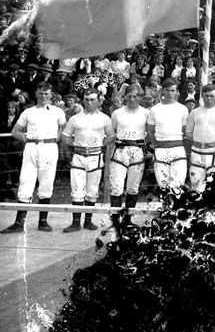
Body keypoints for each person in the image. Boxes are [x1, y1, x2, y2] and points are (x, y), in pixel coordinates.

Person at [1, 82, 66, 233]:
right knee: (26, 181)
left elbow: (65, 127)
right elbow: (15, 131)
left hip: (49, 148)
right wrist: (24, 137)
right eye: (40, 93)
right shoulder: (28, 112)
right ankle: (19, 223)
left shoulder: (57, 111)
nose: (43, 96)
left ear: (51, 95)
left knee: (47, 182)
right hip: (31, 148)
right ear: (36, 94)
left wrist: (58, 136)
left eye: (46, 93)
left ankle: (43, 222)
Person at [61, 88, 114, 233]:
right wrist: (76, 144)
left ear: (98, 101)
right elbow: (65, 136)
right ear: (82, 100)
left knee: (92, 190)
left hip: (95, 156)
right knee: (77, 189)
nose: (89, 102)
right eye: (86, 99)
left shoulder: (105, 118)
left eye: (92, 100)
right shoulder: (75, 118)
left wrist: (99, 144)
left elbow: (111, 136)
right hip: (78, 156)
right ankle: (75, 223)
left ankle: (88, 221)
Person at [107, 85, 149, 224]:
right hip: (120, 150)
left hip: (137, 150)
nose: (132, 99)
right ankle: (115, 221)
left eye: (135, 96)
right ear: (125, 96)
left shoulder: (146, 113)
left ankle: (128, 220)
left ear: (140, 97)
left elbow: (149, 132)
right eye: (129, 96)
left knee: (133, 188)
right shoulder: (117, 113)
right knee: (116, 187)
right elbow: (112, 131)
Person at [146, 78, 189, 191]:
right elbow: (150, 131)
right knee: (163, 184)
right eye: (167, 90)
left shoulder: (183, 109)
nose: (170, 93)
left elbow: (185, 130)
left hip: (178, 149)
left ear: (177, 92)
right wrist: (157, 144)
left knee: (178, 184)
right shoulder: (154, 109)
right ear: (162, 91)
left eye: (172, 90)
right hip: (161, 149)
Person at [185, 85, 215, 193]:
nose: (209, 98)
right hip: (197, 151)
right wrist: (199, 142)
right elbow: (188, 132)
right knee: (196, 184)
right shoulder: (195, 112)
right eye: (206, 96)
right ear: (202, 96)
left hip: (214, 152)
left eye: (211, 96)